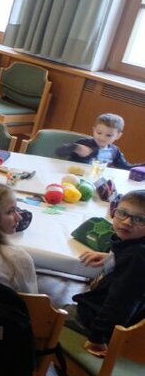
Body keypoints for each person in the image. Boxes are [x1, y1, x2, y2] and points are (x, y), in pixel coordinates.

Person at [69, 190, 145, 357]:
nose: (126, 222)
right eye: (122, 213)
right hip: (122, 324)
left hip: (108, 329)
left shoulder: (137, 256)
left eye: (139, 219)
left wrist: (98, 337)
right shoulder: (134, 247)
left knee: (45, 320)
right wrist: (112, 257)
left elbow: (121, 302)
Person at [57, 113, 137, 169]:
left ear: (118, 136)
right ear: (94, 130)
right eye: (99, 133)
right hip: (74, 179)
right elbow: (59, 152)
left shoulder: (114, 151)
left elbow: (125, 167)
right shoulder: (84, 143)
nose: (102, 138)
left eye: (108, 135)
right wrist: (74, 147)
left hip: (94, 181)